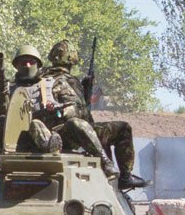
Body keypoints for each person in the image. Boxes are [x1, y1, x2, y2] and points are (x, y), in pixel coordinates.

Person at [46, 40, 146, 189]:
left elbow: (81, 109)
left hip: (85, 130)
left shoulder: (72, 81)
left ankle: (125, 177)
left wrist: (86, 89)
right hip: (63, 133)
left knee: (123, 128)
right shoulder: (45, 79)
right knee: (76, 123)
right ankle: (108, 165)